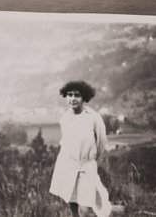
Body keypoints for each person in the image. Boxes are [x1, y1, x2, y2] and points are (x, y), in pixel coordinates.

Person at [50, 80, 111, 217]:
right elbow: (66, 143)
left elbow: (101, 145)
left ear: (84, 97)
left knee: (85, 209)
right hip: (68, 165)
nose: (72, 99)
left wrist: (90, 160)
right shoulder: (65, 118)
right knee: (73, 204)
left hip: (86, 167)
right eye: (69, 95)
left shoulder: (94, 119)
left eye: (77, 95)